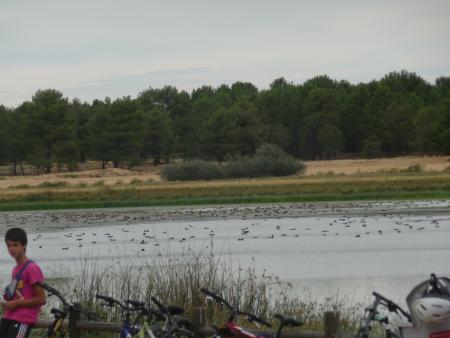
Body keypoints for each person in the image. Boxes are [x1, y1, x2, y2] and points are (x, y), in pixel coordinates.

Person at [1, 227, 46, 338]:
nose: (12, 249)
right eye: (9, 245)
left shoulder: (32, 268)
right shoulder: (15, 269)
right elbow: (18, 295)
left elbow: (42, 299)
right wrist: (6, 302)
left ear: (24, 245)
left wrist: (16, 304)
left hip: (23, 319)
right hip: (8, 316)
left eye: (15, 245)